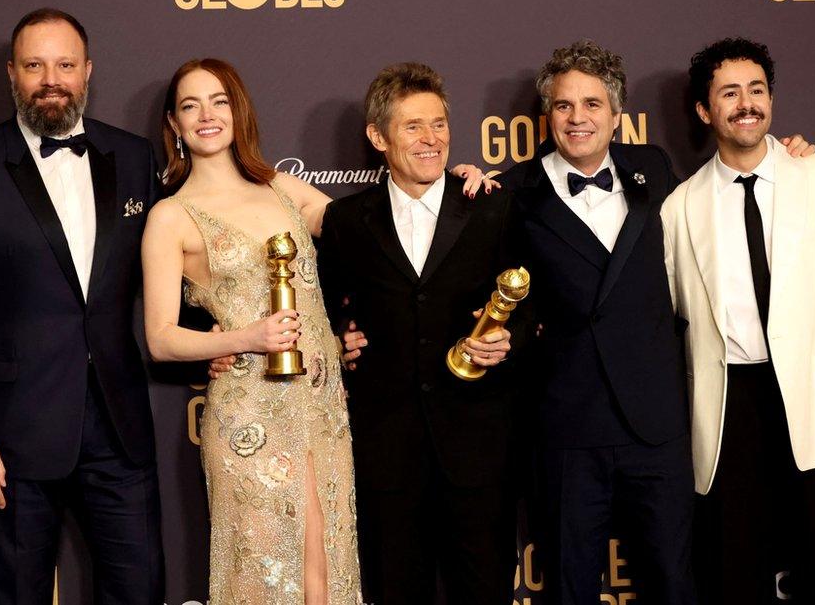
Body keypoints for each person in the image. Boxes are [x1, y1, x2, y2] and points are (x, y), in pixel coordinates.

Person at [0, 8, 164, 604]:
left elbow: (173, 279)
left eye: (65, 64)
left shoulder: (134, 158)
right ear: (11, 75)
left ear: (88, 72)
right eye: (35, 65)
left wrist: (227, 340)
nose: (52, 79)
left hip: (119, 434)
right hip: (8, 442)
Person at [661, 37, 815, 605]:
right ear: (704, 110)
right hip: (729, 409)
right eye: (729, 92)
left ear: (772, 100)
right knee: (734, 572)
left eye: (757, 90)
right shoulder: (679, 206)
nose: (746, 104)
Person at [141, 58, 363, 605]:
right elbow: (162, 338)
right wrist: (244, 339)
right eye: (190, 106)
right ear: (174, 124)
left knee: (327, 566)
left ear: (237, 111)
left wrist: (444, 183)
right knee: (265, 574)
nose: (206, 115)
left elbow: (370, 230)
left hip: (320, 407)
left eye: (219, 101)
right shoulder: (171, 216)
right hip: (248, 415)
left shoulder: (284, 188)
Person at [316, 62, 530, 605]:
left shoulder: (491, 205)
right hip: (387, 452)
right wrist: (340, 340)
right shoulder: (345, 220)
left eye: (438, 124)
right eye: (413, 126)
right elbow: (325, 310)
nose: (431, 139)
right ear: (377, 136)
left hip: (479, 449)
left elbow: (533, 303)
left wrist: (510, 341)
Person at [496, 39, 696, 605]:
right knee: (568, 589)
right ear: (547, 116)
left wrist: (792, 152)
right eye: (563, 106)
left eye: (591, 104)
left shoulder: (655, 168)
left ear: (616, 115)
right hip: (566, 427)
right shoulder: (511, 193)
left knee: (673, 584)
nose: (578, 118)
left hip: (655, 425)